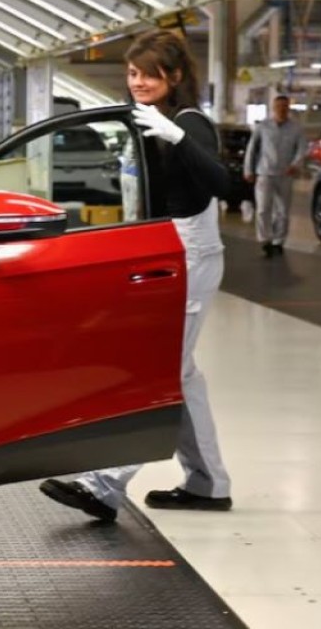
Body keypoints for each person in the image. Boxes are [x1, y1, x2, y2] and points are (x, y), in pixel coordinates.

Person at [39, 29, 233, 522]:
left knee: (159, 367)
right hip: (159, 250)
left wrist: (180, 139)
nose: (139, 82)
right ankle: (208, 482)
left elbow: (222, 182)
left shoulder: (187, 122)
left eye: (149, 73)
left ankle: (106, 485)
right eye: (132, 73)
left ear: (176, 76)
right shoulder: (145, 121)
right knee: (180, 372)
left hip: (189, 255)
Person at [244, 95, 307, 257]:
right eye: (278, 106)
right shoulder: (263, 127)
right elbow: (252, 149)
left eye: (285, 107)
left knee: (283, 211)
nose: (282, 109)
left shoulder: (296, 128)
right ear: (273, 108)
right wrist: (248, 170)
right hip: (264, 173)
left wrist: (295, 164)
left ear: (288, 108)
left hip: (285, 174)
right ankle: (265, 240)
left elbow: (301, 149)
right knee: (263, 209)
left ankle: (279, 240)